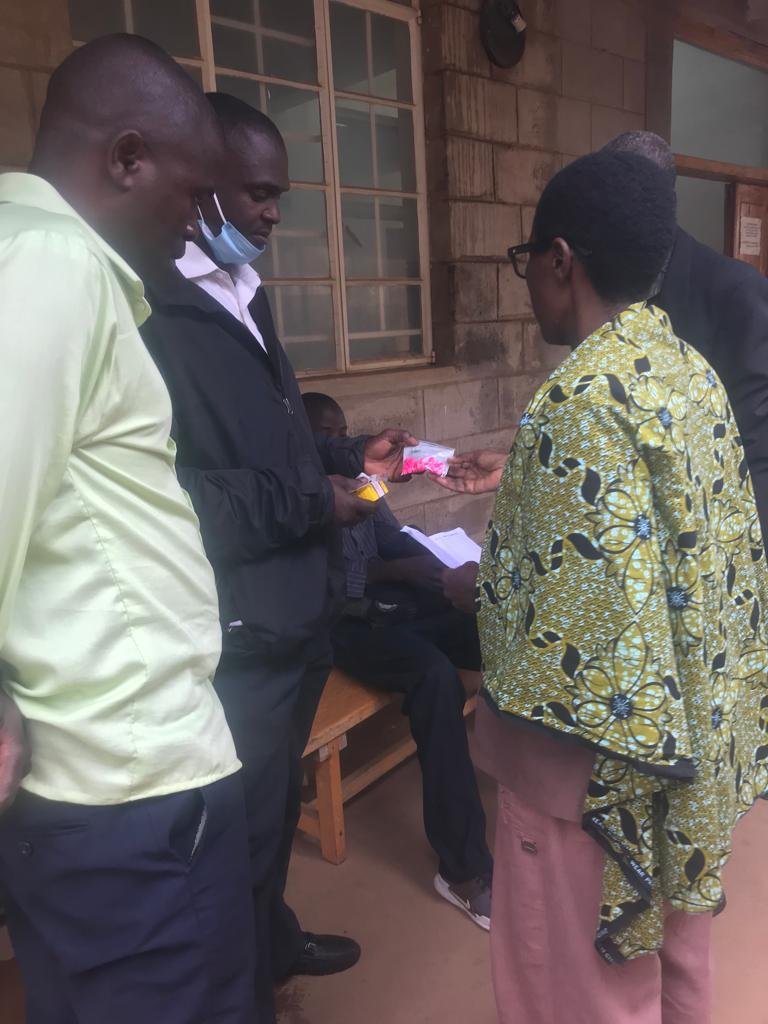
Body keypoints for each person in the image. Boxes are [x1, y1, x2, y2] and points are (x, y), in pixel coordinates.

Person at [433, 150, 768, 1023]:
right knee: (678, 969)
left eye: (528, 261)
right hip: (691, 747)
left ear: (560, 261)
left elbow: (586, 637)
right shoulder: (684, 373)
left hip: (590, 782)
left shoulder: (578, 400)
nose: (531, 281)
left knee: (576, 993)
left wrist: (483, 591)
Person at [139, 93, 415, 1022]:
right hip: (242, 632)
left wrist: (349, 460)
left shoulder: (245, 296)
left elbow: (282, 441)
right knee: (244, 836)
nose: (271, 215)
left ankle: (273, 937)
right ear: (199, 184)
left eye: (277, 197)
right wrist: (310, 498)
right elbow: (174, 494)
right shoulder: (152, 313)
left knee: (271, 813)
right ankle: (255, 987)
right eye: (257, 193)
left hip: (298, 618)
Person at [0, 36, 255, 1023]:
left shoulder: (52, 271)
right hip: (122, 792)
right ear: (125, 158)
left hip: (138, 774)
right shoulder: (50, 266)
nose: (196, 232)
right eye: (191, 200)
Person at [303, 393, 493, 928]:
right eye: (325, 435)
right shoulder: (298, 495)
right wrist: (396, 573)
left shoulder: (363, 483)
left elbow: (392, 540)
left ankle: (540, 786)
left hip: (396, 606)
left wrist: (435, 563)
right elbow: (327, 589)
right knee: (436, 678)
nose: (338, 444)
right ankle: (463, 870)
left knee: (490, 633)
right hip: (347, 626)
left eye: (343, 432)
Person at [603, 130, 768, 544]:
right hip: (639, 532)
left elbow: (753, 452)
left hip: (711, 548)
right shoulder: (615, 287)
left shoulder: (736, 293)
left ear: (662, 202)